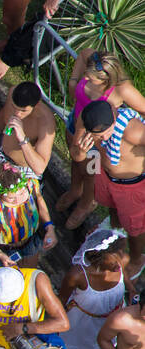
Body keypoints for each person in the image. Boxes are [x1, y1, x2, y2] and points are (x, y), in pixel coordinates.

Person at [57, 52, 145, 230]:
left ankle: (87, 203)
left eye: (91, 77)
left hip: (98, 141)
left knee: (92, 174)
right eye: (85, 75)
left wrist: (133, 128)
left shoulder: (123, 90)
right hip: (76, 124)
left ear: (107, 78)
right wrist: (73, 82)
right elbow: (83, 54)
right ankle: (75, 191)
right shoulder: (94, 62)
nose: (86, 77)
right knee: (76, 163)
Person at [82, 99, 145, 281]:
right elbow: (83, 155)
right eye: (98, 136)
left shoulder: (132, 131)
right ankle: (116, 226)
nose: (101, 139)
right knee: (111, 205)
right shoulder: (91, 118)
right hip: (107, 176)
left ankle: (136, 259)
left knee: (136, 228)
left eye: (103, 135)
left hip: (131, 186)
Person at [57, 228, 130, 349]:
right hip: (81, 322)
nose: (119, 264)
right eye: (114, 260)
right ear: (98, 257)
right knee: (67, 348)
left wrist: (131, 290)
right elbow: (61, 300)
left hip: (111, 321)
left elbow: (124, 276)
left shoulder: (122, 261)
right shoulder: (77, 275)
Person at [0, 161, 55, 268]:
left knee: (29, 271)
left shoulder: (31, 184)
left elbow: (40, 199)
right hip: (3, 249)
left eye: (22, 193)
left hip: (30, 242)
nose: (18, 201)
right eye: (11, 198)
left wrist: (49, 227)